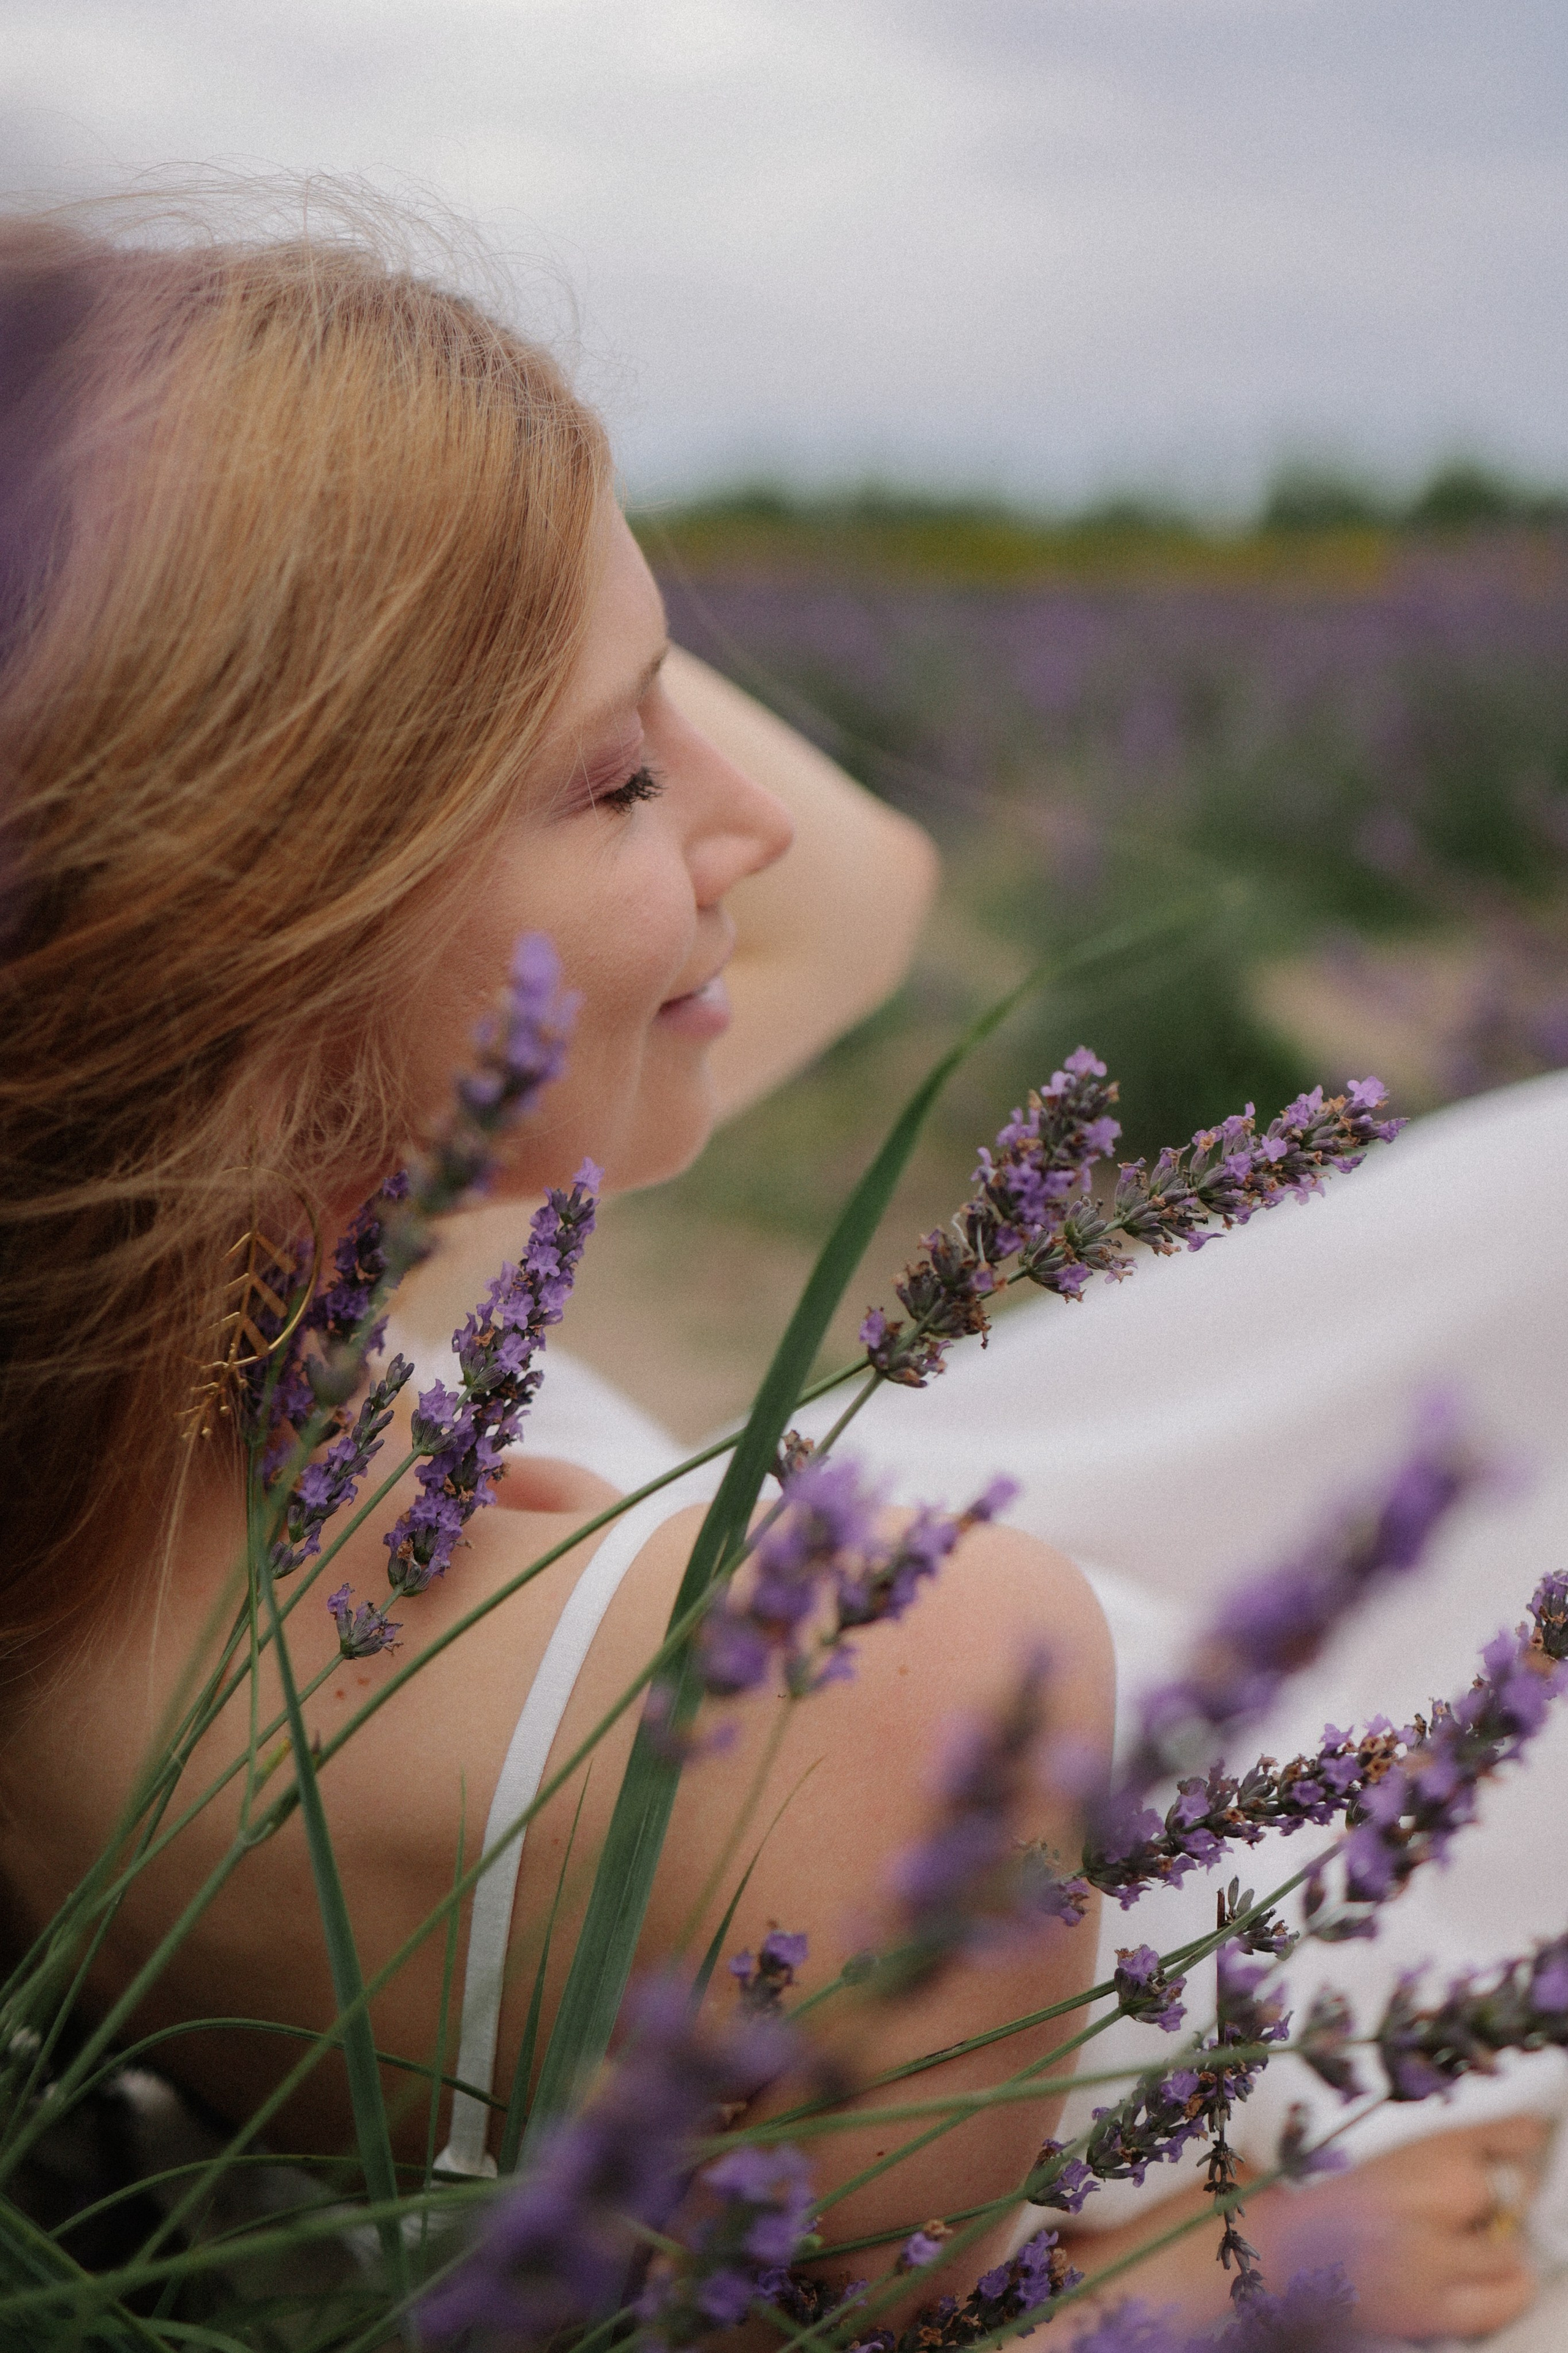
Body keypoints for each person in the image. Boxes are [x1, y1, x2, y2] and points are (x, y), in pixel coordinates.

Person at [0, 203, 1559, 2346]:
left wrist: (317, 461)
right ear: (260, 921)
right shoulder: (883, 1680)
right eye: (630, 772)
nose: (748, 817)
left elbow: (864, 885)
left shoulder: (127, 1424)